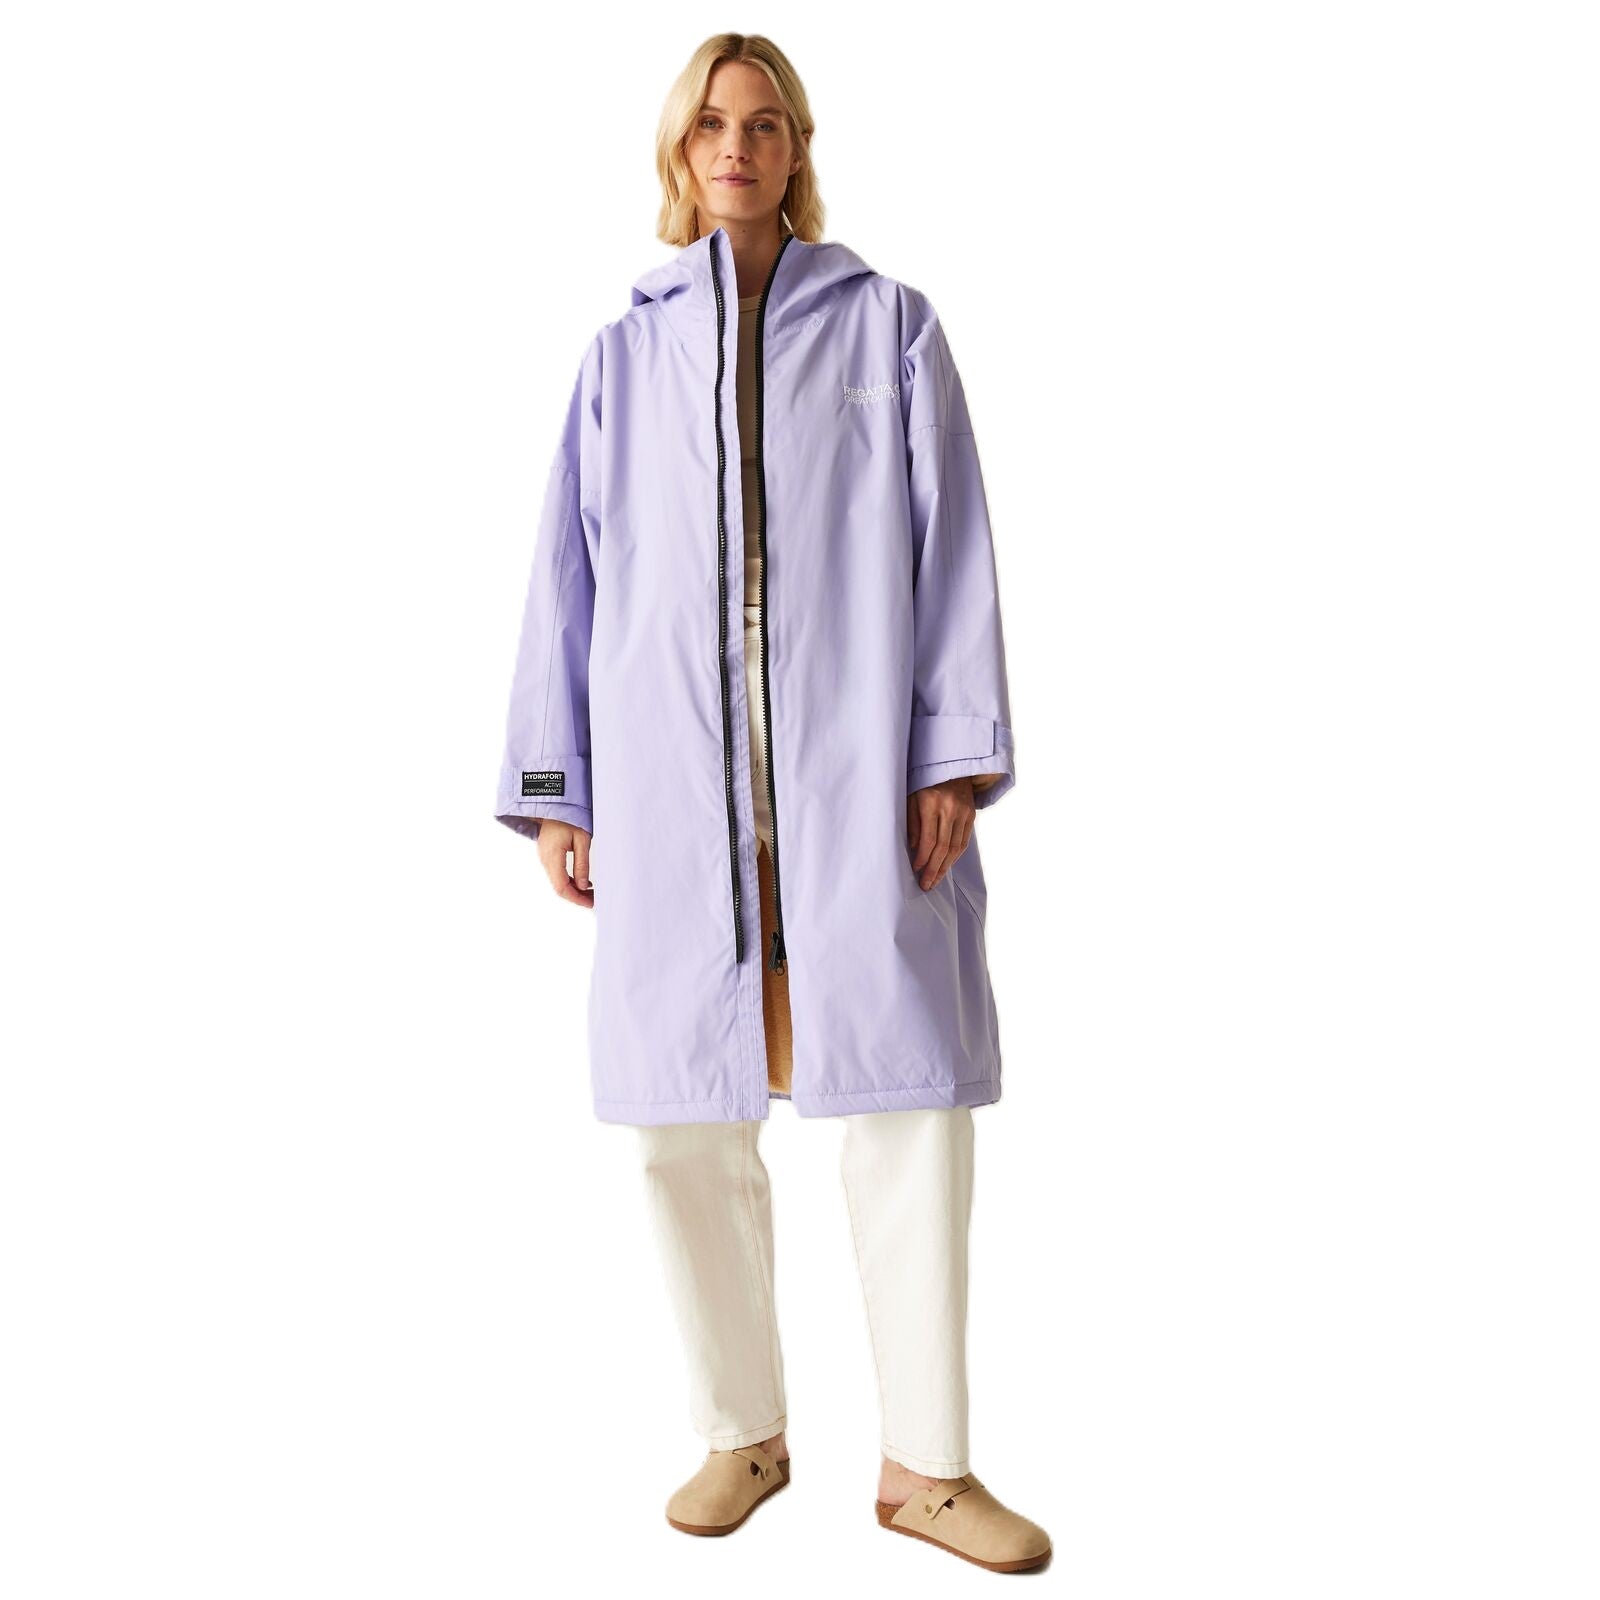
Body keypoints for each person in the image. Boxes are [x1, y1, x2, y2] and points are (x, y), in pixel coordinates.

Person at [494, 33, 1048, 1573]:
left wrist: (951, 755)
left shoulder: (890, 329)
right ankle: (741, 1432)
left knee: (911, 1113)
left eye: (765, 123)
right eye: (711, 125)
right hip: (679, 802)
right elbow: (564, 584)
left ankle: (927, 1468)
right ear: (680, 154)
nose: (737, 146)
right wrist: (556, 789)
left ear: (798, 149)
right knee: (680, 1125)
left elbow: (955, 548)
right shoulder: (619, 361)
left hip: (854, 787)